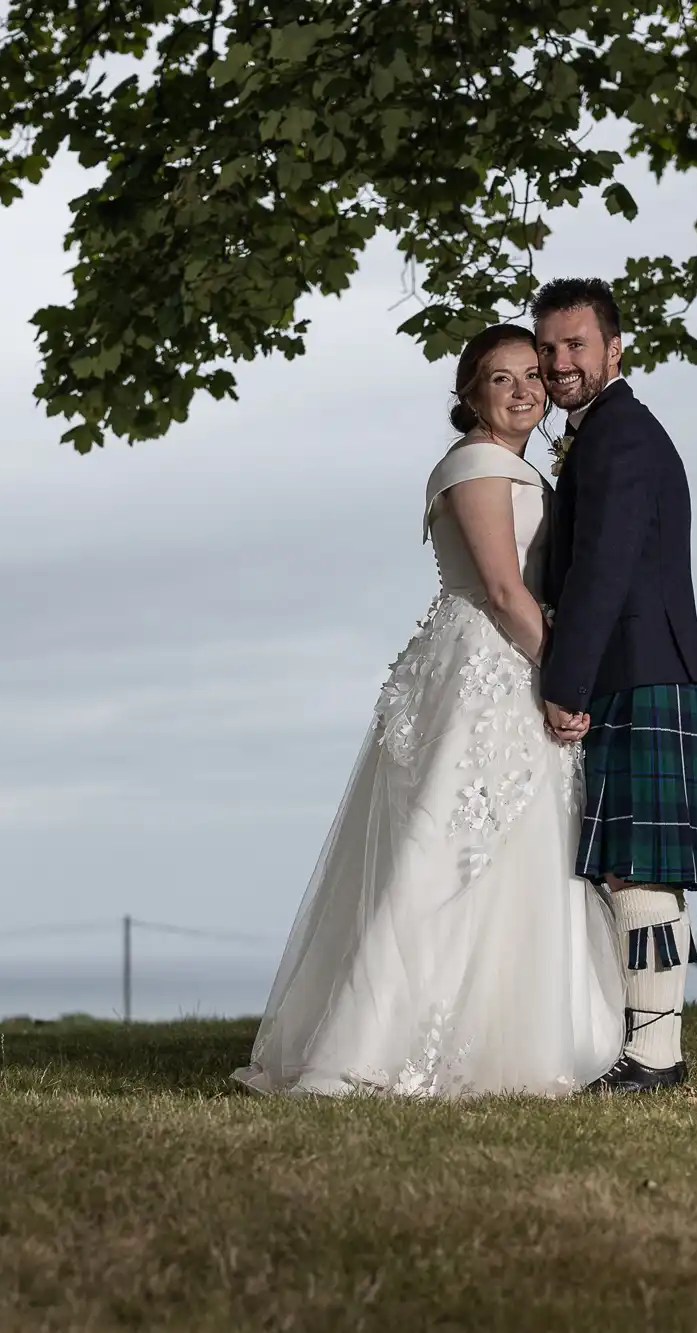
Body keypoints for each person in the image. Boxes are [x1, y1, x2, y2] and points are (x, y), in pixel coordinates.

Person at [232, 324, 622, 1097]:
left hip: (500, 659)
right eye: (500, 379)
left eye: (531, 377)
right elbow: (506, 592)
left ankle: (506, 1026)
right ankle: (378, 1042)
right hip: (488, 666)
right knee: (446, 849)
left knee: (506, 846)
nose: (522, 391)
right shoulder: (477, 466)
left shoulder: (516, 467)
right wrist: (565, 677)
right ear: (469, 395)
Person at [534, 277, 697, 1096]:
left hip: (632, 664)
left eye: (575, 345)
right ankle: (648, 1047)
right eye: (547, 348)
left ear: (615, 349)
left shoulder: (618, 436)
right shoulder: (605, 432)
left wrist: (564, 681)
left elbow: (602, 571)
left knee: (638, 865)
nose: (558, 362)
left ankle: (653, 1057)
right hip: (640, 662)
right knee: (631, 862)